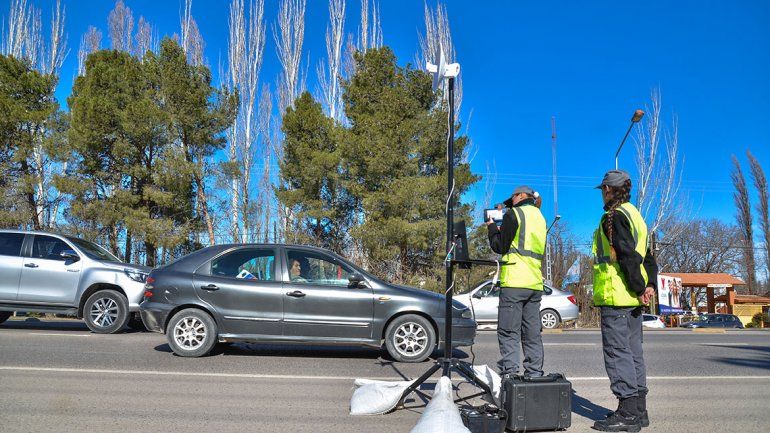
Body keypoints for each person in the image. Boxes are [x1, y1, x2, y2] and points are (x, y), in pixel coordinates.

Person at [591, 170, 658, 432]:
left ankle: (628, 413)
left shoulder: (614, 215)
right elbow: (648, 256)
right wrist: (649, 284)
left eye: (603, 189)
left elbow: (629, 257)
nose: (602, 194)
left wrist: (640, 287)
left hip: (618, 295)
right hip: (632, 297)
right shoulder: (636, 215)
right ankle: (640, 411)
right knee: (633, 352)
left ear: (608, 189)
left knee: (618, 353)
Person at [486, 185, 547, 377]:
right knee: (532, 333)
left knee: (509, 332)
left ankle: (510, 374)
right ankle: (534, 373)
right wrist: (502, 209)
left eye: (512, 198)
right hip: (534, 283)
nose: (510, 202)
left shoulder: (514, 215)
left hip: (514, 281)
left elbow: (500, 245)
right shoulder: (539, 217)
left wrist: (491, 228)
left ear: (520, 196)